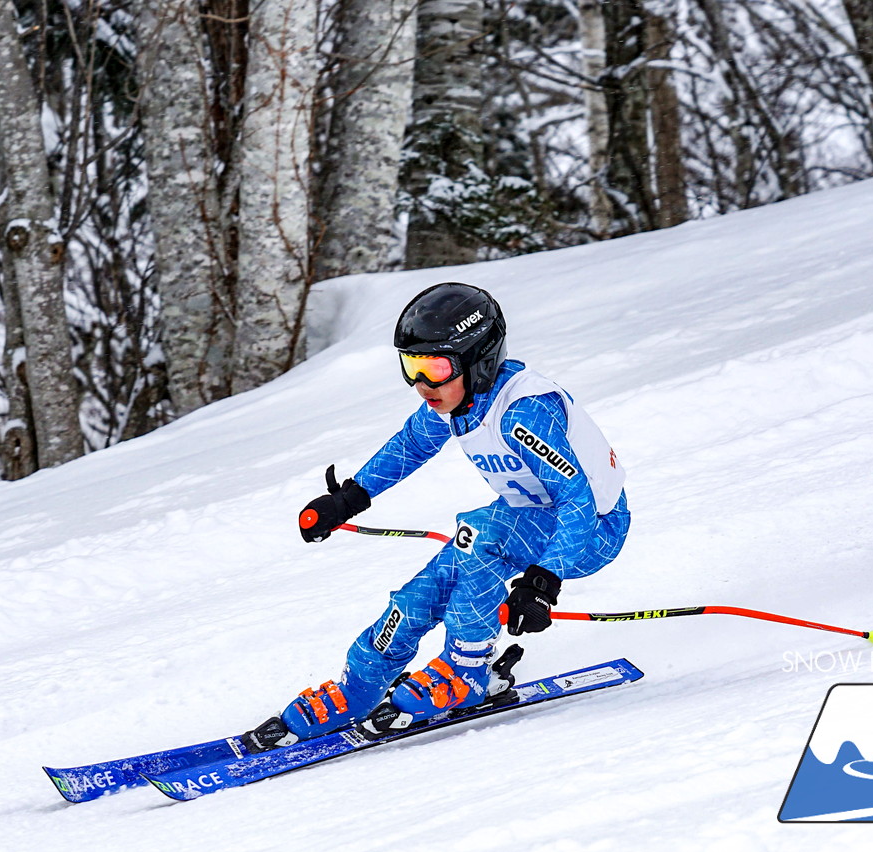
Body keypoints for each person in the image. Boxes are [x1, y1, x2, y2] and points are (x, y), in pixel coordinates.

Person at [245, 282, 631, 751]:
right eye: (412, 367)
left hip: (592, 529)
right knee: (436, 581)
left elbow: (578, 500)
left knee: (480, 535)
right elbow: (411, 445)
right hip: (529, 516)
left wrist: (542, 582)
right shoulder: (458, 399)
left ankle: (465, 671)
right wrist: (348, 499)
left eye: (435, 368)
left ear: (478, 359)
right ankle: (360, 686)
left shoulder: (523, 414)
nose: (422, 384)